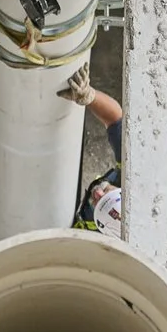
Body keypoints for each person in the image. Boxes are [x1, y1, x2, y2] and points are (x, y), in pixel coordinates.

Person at [62, 73, 125, 237]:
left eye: (99, 202)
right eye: (107, 194)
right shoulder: (131, 175)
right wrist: (90, 96)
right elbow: (116, 119)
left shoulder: (110, 249)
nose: (97, 193)